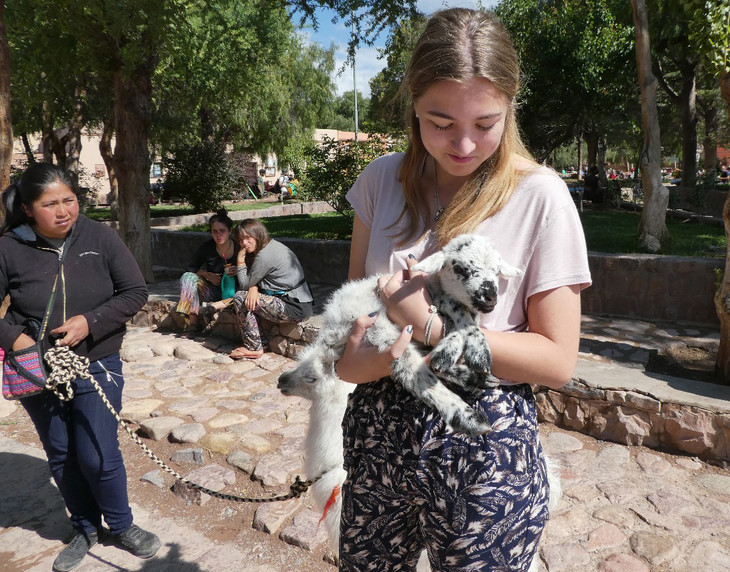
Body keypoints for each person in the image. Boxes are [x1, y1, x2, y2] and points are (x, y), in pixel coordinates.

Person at [335, 8, 591, 571]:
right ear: (413, 105)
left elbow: (556, 359)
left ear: (511, 107)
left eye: (485, 122)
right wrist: (357, 360)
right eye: (440, 121)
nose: (465, 144)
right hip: (378, 440)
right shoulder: (379, 182)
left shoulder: (541, 197)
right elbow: (347, 347)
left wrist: (428, 326)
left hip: (484, 451)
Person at [0, 163, 160, 571]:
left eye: (68, 199)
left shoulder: (99, 237)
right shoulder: (8, 247)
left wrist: (91, 321)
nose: (63, 211)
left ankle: (122, 525)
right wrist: (14, 339)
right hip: (37, 368)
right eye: (49, 203)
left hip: (96, 361)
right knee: (62, 453)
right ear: (28, 209)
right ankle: (85, 527)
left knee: (98, 453)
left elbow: (135, 291)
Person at [229, 218, 313, 359]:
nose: (244, 243)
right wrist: (253, 287)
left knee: (240, 297)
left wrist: (240, 260)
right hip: (297, 300)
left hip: (294, 307)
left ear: (258, 234)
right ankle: (260, 342)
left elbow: (245, 285)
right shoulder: (271, 246)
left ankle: (255, 347)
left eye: (248, 238)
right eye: (241, 240)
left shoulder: (264, 256)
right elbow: (255, 280)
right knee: (248, 295)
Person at [175, 208, 239, 335]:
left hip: (235, 292)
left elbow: (254, 269)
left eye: (222, 231)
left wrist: (240, 270)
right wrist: (207, 275)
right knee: (188, 277)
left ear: (229, 231)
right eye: (214, 231)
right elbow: (190, 268)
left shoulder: (239, 247)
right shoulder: (207, 248)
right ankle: (192, 324)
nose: (218, 235)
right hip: (213, 291)